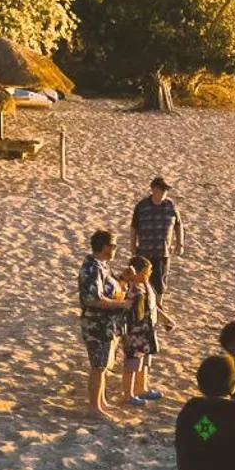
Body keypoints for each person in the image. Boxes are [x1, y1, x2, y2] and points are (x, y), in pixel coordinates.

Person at [76, 229, 129, 418]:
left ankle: (101, 402)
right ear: (104, 246)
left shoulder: (103, 265)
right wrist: (123, 305)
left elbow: (110, 289)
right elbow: (93, 299)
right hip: (96, 323)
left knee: (104, 364)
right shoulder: (92, 268)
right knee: (98, 366)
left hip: (107, 323)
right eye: (113, 245)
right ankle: (94, 407)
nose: (115, 248)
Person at [129, 177, 184, 329]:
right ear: (153, 189)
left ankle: (159, 305)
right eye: (162, 189)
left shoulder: (170, 206)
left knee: (160, 283)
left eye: (166, 190)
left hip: (162, 251)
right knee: (142, 282)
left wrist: (180, 243)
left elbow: (179, 225)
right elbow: (133, 227)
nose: (164, 192)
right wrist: (132, 245)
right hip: (144, 251)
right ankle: (151, 309)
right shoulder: (141, 206)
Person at [118, 256, 161, 406]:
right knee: (132, 363)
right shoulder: (130, 289)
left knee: (144, 362)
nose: (147, 275)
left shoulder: (145, 286)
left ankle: (141, 388)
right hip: (135, 333)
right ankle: (128, 394)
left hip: (147, 331)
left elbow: (153, 306)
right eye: (145, 272)